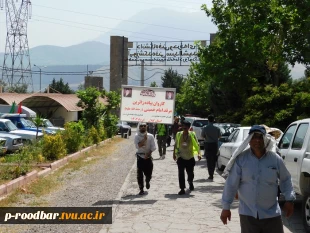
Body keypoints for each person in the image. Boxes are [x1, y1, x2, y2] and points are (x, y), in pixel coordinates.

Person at [220, 125, 295, 233]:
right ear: (249, 140)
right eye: (254, 137)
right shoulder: (241, 160)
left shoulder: (275, 159)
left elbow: (286, 179)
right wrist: (226, 207)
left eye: (260, 137)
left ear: (265, 139)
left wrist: (289, 199)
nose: (257, 140)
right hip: (248, 214)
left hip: (272, 214)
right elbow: (231, 184)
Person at [173, 120, 202, 195]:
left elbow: (197, 144)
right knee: (181, 173)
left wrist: (199, 154)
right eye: (183, 127)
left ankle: (190, 182)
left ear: (189, 128)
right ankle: (182, 188)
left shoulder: (192, 134)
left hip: (190, 156)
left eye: (186, 128)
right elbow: (176, 144)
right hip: (181, 156)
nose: (184, 129)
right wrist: (174, 154)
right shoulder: (179, 134)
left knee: (190, 173)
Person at [134, 122, 156, 195]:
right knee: (139, 174)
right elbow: (138, 146)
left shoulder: (151, 136)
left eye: (144, 126)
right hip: (140, 157)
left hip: (148, 157)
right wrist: (144, 139)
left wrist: (148, 153)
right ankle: (141, 188)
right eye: (141, 126)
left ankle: (147, 181)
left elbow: (153, 147)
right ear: (139, 127)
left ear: (146, 126)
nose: (143, 127)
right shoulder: (137, 136)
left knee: (149, 173)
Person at [200, 114, 221, 180]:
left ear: (208, 120)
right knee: (214, 159)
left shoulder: (205, 128)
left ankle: (210, 174)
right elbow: (219, 136)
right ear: (213, 120)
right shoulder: (217, 128)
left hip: (207, 144)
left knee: (209, 160)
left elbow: (202, 136)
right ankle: (212, 171)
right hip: (214, 144)